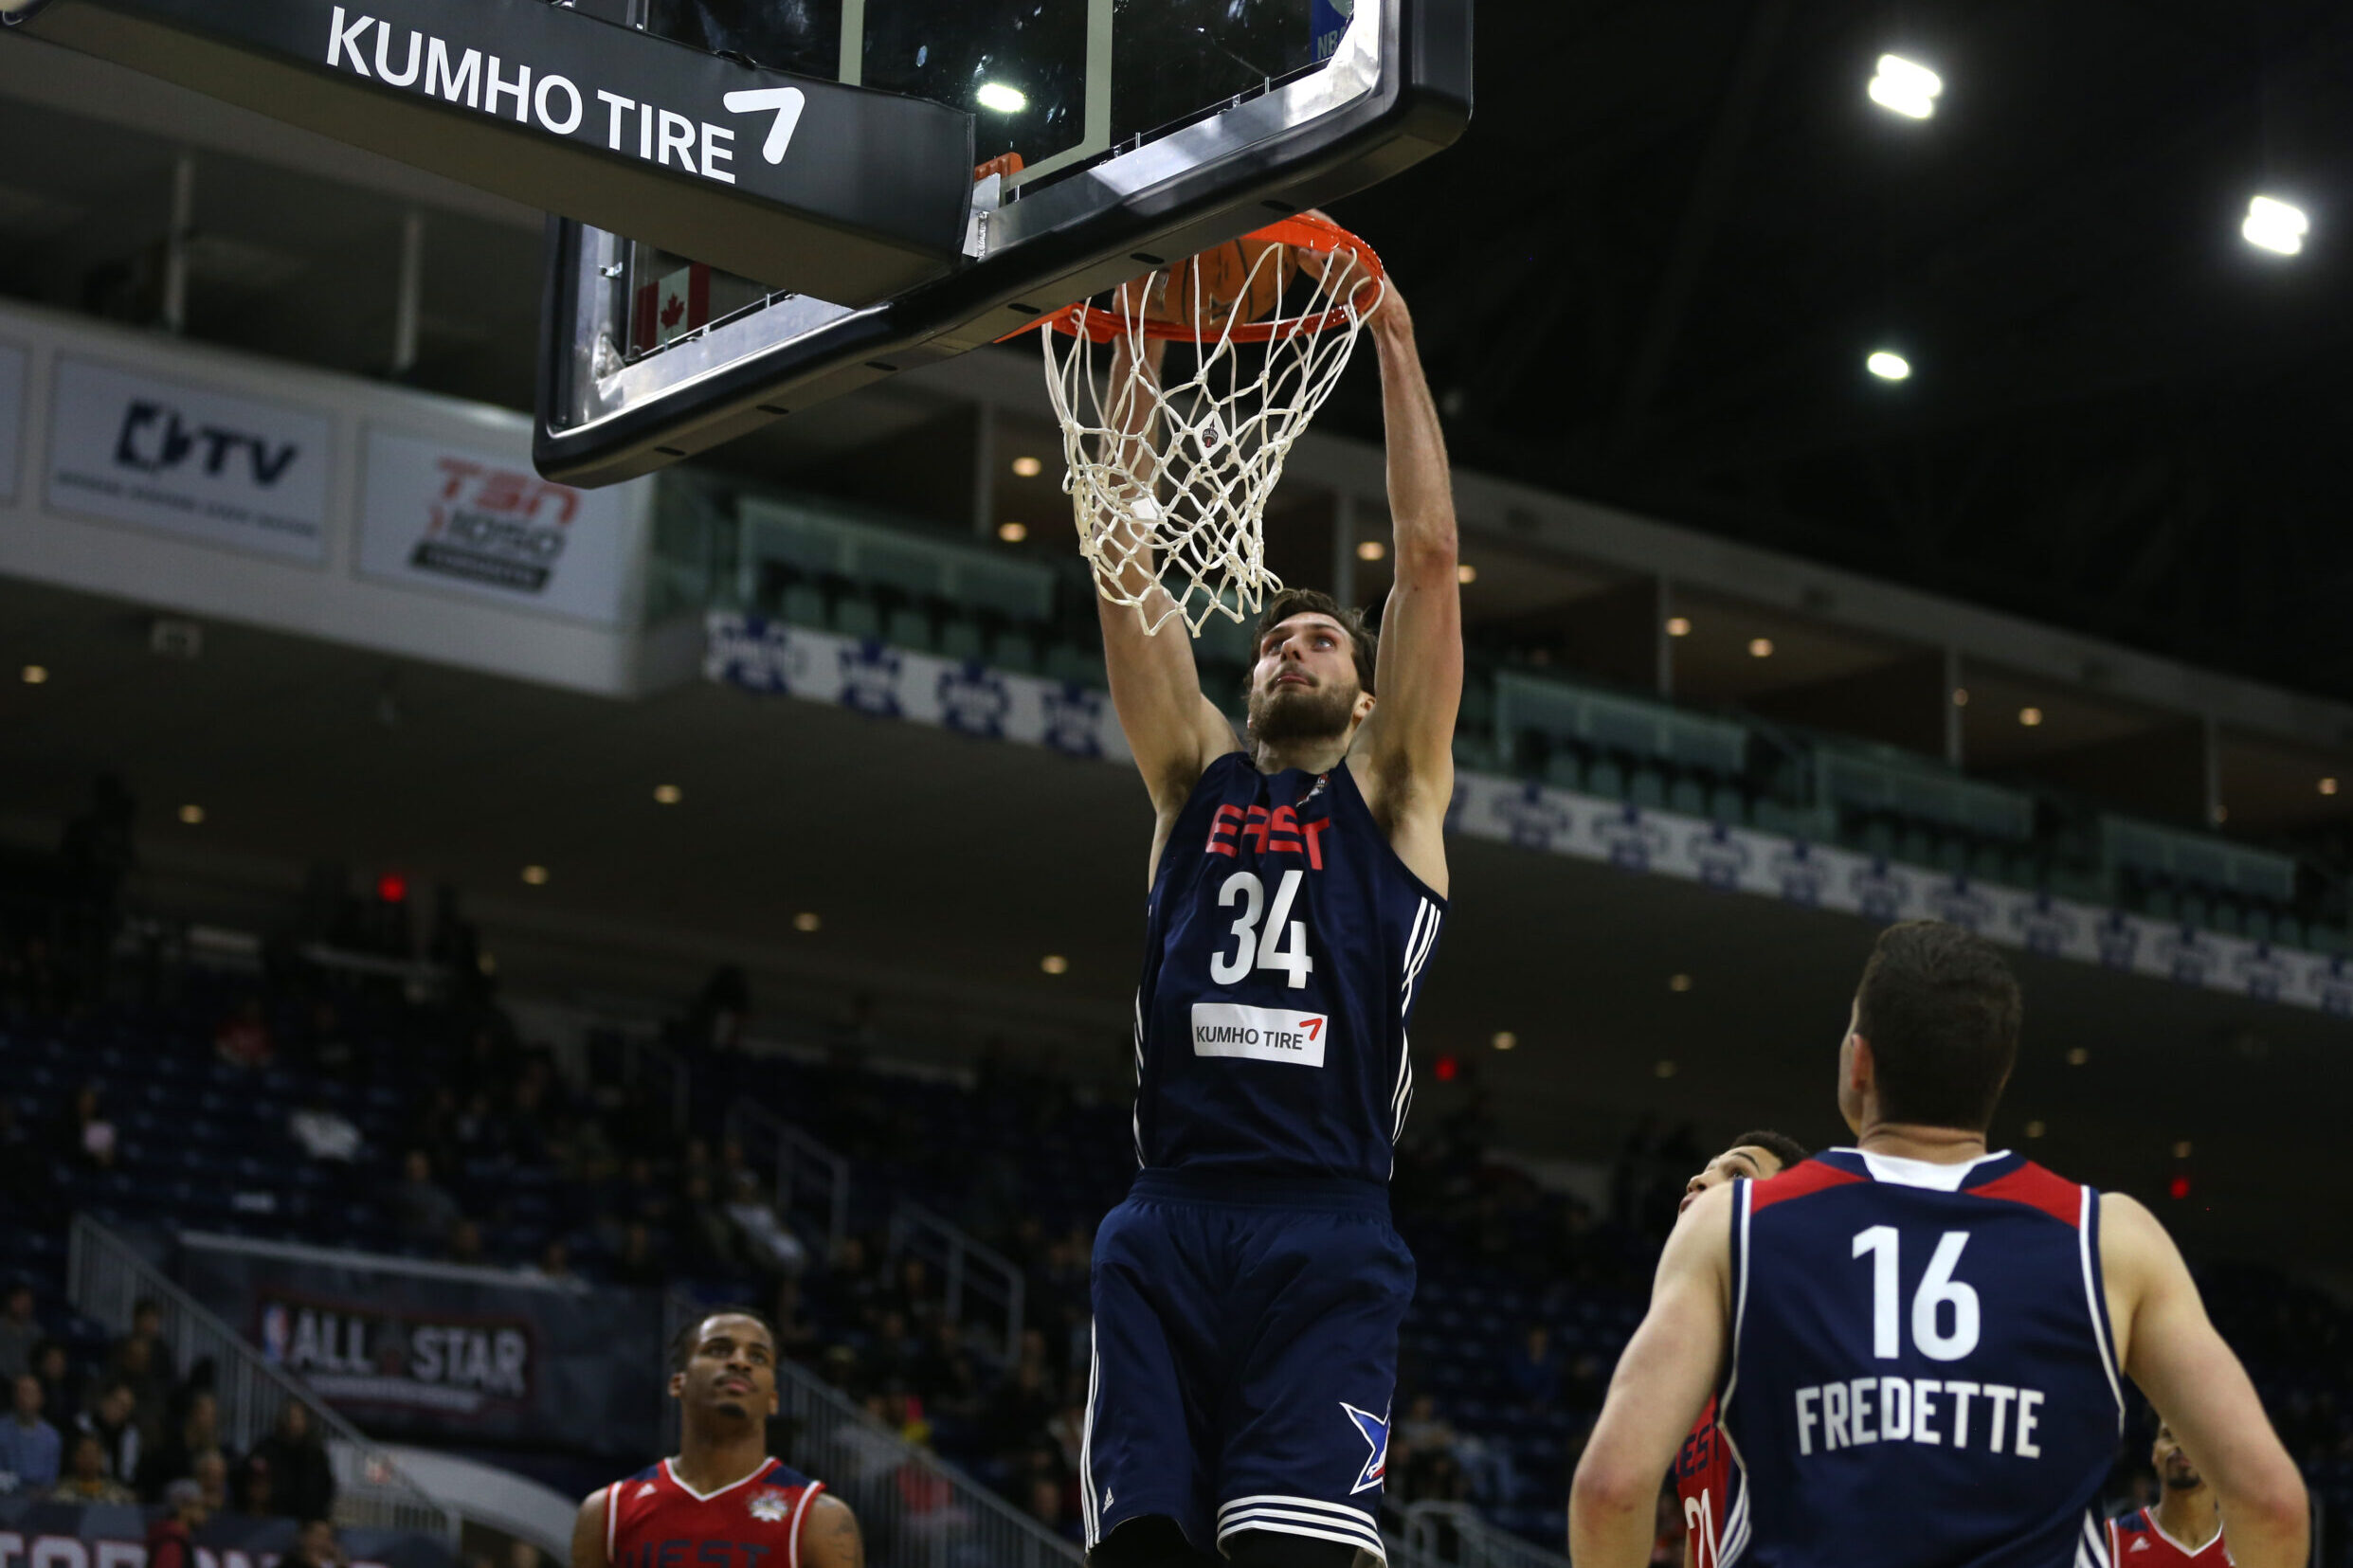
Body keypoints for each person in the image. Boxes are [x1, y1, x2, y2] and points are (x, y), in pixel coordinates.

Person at [1079, 250, 1461, 1568]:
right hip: (1168, 1209)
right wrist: (1133, 344)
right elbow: (1119, 551)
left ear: (1365, 698)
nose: (1284, 648)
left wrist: (1394, 342)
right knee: (1143, 1550)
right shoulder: (1189, 781)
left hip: (1326, 1218)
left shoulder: (1395, 792)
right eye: (1268, 645)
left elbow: (1424, 558)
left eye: (1318, 642)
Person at [1569, 921, 2309, 1568]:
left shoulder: (1732, 1223)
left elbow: (1611, 1488)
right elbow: (2271, 1503)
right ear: (1999, 1074)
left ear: (1858, 1061)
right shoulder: (2109, 1238)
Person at [571, 1309, 863, 1568]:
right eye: (719, 1350)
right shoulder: (607, 1512)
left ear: (773, 1399)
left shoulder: (818, 1519)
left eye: (757, 1357)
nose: (740, 1362)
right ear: (678, 1382)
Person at [1659, 1132, 1809, 1568]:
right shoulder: (1696, 1380)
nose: (1697, 1180)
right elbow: (1700, 1537)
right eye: (1705, 1168)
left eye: (1737, 1173)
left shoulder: (1805, 1349)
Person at [2109, 1421, 2232, 1565]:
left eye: (2197, 1435)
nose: (2181, 1444)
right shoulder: (2111, 1539)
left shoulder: (2250, 1542)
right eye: (2169, 1435)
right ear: (2154, 1453)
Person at [247, 1400, 336, 1523]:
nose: (293, 1423)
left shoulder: (315, 1454)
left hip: (306, 1520)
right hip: (269, 1517)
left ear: (306, 1421)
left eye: (298, 1418)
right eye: (290, 1417)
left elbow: (324, 1489)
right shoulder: (267, 1447)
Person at [0, 1371, 61, 1492]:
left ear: (41, 1398)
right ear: (14, 1397)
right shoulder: (1, 1430)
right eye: (21, 1392)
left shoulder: (51, 1437)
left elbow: (50, 1480)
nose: (25, 1398)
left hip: (41, 1501)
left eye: (30, 1393)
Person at [79, 1380, 142, 1487]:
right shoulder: (81, 1426)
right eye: (118, 1403)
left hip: (116, 1493)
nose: (121, 1410)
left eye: (127, 1407)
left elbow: (129, 1475)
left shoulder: (131, 1435)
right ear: (105, 1400)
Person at [52, 1428, 136, 1504]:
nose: (89, 1459)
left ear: (102, 1458)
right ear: (75, 1457)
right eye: (84, 1454)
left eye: (94, 1454)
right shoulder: (60, 1493)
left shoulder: (117, 1494)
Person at [148, 1478, 208, 1568]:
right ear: (183, 1508)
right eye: (200, 1506)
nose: (205, 1513)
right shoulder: (171, 1545)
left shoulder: (175, 1541)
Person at [0, 1284, 41, 1380]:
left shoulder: (36, 1331)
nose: (24, 1306)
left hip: (29, 1384)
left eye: (27, 1302)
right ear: (9, 1301)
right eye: (19, 1301)